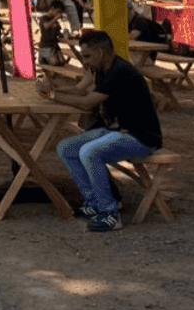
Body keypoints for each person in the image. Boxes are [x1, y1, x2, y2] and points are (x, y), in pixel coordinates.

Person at [46, 30, 163, 233]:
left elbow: (86, 102)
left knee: (89, 152)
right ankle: (94, 203)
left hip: (141, 137)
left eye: (87, 56)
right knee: (66, 148)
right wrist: (52, 89)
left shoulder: (119, 71)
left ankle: (110, 214)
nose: (84, 62)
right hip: (117, 131)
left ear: (100, 53)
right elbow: (80, 90)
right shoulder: (101, 68)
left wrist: (52, 95)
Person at [37, 0, 68, 67]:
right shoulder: (44, 18)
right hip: (46, 46)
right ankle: (43, 59)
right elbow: (46, 26)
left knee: (62, 62)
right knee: (55, 62)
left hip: (55, 46)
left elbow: (57, 32)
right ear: (52, 9)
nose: (59, 14)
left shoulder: (55, 20)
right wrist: (55, 18)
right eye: (58, 11)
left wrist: (64, 34)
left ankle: (48, 61)